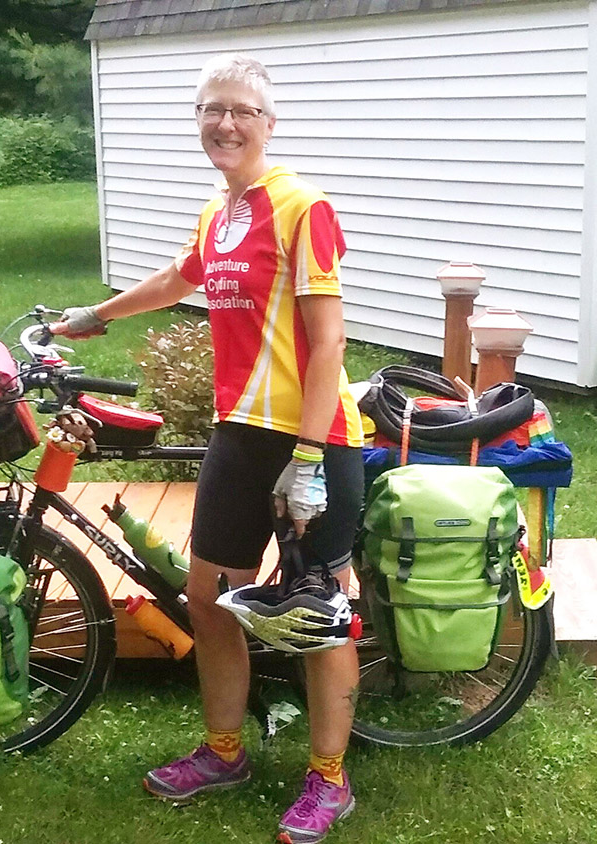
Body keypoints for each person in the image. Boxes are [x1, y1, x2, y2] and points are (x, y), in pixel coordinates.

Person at [53, 53, 364, 844]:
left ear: (268, 124)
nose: (225, 123)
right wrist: (97, 314)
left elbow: (327, 344)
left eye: (242, 111)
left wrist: (304, 460)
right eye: (211, 109)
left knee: (319, 612)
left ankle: (329, 779)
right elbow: (176, 278)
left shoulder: (301, 206)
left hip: (312, 439)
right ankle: (224, 751)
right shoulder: (218, 213)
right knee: (211, 599)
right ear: (198, 120)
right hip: (239, 432)